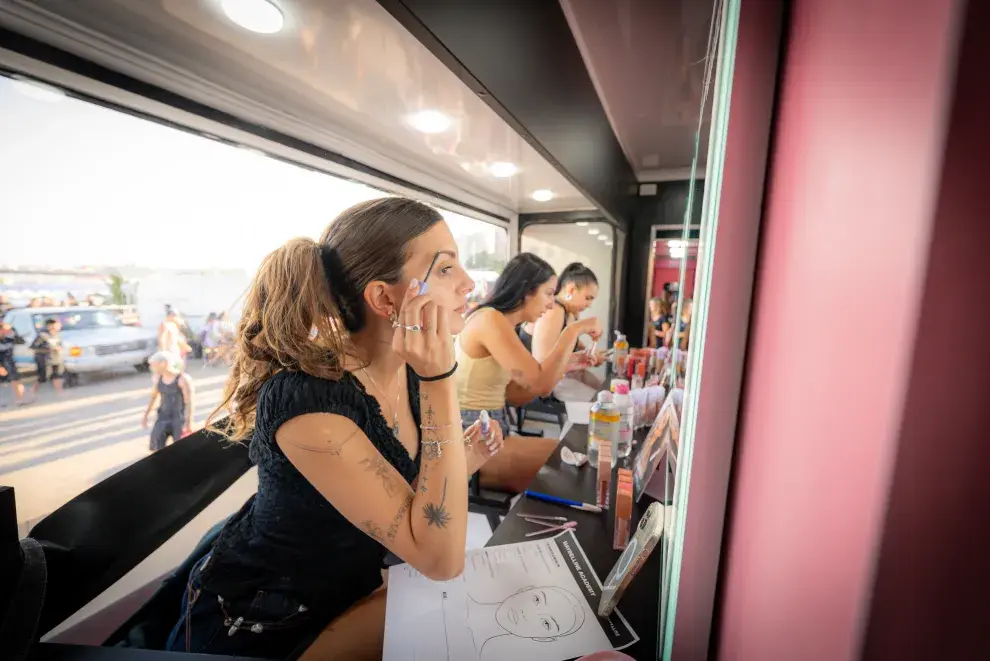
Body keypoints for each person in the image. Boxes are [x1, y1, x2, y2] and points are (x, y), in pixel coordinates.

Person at [164, 197, 503, 659]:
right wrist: (439, 380)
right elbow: (440, 559)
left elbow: (404, 501)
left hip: (351, 585)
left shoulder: (404, 369)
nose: (468, 284)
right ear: (385, 298)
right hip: (269, 620)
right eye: (445, 270)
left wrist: (462, 459)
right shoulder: (311, 404)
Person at [456, 253, 602, 493]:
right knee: (575, 469)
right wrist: (574, 330)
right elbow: (541, 385)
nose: (551, 303)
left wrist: (566, 364)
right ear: (526, 291)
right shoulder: (490, 320)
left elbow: (515, 395)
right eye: (548, 293)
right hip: (474, 445)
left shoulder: (499, 323)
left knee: (578, 458)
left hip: (496, 432)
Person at [524, 262, 605, 402]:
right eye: (588, 298)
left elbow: (572, 345)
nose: (589, 305)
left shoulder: (571, 314)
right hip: (538, 381)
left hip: (562, 374)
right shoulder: (554, 311)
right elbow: (543, 366)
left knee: (607, 392)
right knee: (599, 402)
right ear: (572, 290)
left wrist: (591, 354)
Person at [141, 351, 194, 451]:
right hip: (163, 417)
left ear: (163, 363)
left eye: (153, 365)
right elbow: (153, 397)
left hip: (179, 419)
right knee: (156, 445)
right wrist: (145, 415)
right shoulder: (158, 379)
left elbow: (189, 402)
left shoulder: (182, 379)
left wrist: (188, 423)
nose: (151, 368)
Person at [31, 318, 64, 396]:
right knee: (42, 377)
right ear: (50, 326)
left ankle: (60, 393)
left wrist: (59, 348)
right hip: (44, 359)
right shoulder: (42, 335)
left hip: (56, 358)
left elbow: (59, 345)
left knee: (57, 375)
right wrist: (49, 349)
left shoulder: (58, 335)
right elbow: (34, 347)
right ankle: (33, 392)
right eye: (56, 324)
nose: (59, 326)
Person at [0, 322, 26, 406]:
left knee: (16, 381)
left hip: (10, 363)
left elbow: (21, 341)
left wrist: (13, 330)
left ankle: (20, 400)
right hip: (2, 364)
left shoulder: (9, 339)